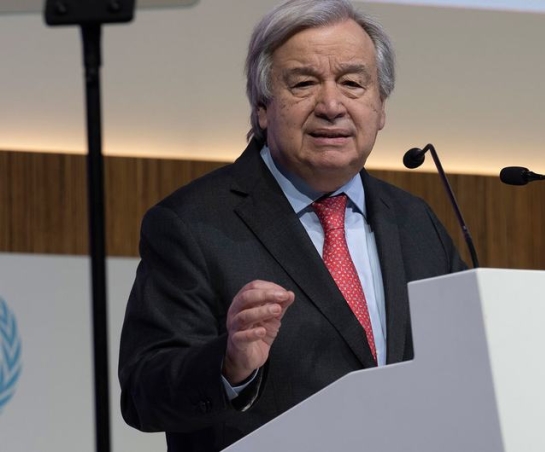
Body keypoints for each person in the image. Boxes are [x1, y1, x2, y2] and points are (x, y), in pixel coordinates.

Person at [117, 1, 466, 450]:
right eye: (304, 83)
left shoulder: (416, 221)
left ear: (381, 107)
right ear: (262, 107)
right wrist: (228, 365)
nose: (332, 105)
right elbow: (143, 394)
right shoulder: (191, 224)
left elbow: (464, 356)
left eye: (353, 83)